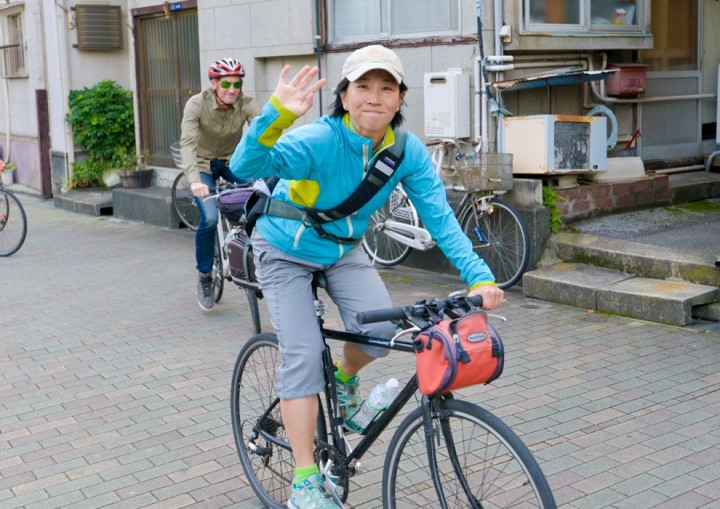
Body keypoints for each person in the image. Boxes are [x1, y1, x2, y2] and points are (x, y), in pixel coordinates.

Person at [230, 45, 505, 509]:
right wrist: (276, 114)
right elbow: (245, 166)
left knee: (380, 330)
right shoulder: (319, 139)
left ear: (400, 98)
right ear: (344, 94)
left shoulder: (405, 151)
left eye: (386, 88)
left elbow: (440, 219)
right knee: (302, 356)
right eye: (363, 86)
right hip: (284, 250)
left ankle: (342, 380)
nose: (374, 97)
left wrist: (480, 278)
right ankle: (304, 482)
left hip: (342, 250)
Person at [179, 58, 261, 310]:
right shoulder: (196, 104)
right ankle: (205, 276)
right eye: (226, 83)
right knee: (211, 219)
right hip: (202, 165)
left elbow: (262, 134)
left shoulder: (246, 104)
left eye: (237, 84)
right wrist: (194, 181)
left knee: (260, 200)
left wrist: (267, 169)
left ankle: (259, 260)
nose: (232, 89)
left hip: (231, 162)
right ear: (214, 84)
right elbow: (188, 143)